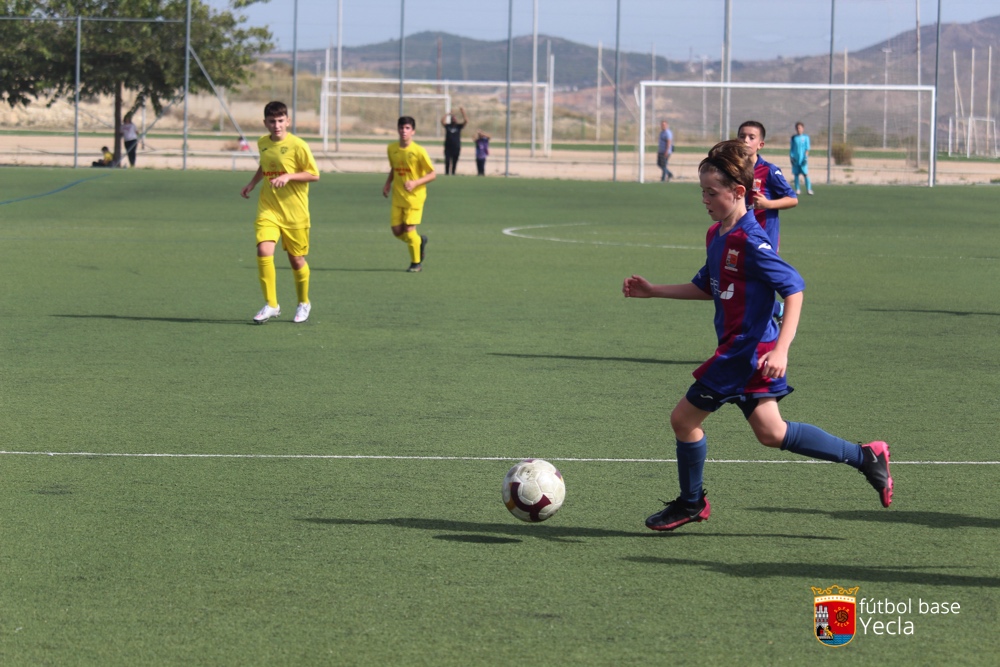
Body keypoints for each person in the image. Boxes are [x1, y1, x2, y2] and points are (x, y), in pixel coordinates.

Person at [621, 139, 892, 532]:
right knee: (771, 432)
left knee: (683, 420)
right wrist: (654, 291)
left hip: (746, 354)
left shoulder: (752, 241)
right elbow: (709, 286)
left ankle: (692, 502)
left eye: (711, 193)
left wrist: (782, 349)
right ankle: (866, 456)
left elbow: (794, 289)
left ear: (738, 192)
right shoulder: (717, 234)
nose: (704, 200)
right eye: (702, 192)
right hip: (743, 350)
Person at [240, 100, 320, 324]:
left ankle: (303, 302)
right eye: (272, 121)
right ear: (265, 123)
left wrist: (288, 176)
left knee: (296, 260)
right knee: (264, 251)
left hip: (295, 213)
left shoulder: (298, 145)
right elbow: (265, 165)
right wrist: (252, 183)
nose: (276, 125)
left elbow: (314, 175)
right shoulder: (263, 143)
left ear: (288, 121)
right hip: (269, 208)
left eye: (280, 121)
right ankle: (272, 304)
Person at [383, 116, 436, 272]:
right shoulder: (391, 148)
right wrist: (388, 183)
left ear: (413, 131)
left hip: (415, 198)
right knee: (396, 231)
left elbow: (432, 174)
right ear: (397, 129)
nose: (404, 131)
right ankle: (419, 242)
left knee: (409, 229)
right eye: (401, 128)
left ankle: (416, 263)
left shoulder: (419, 151)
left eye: (407, 128)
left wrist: (415, 183)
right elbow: (394, 168)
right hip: (398, 196)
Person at [737, 120, 797, 252]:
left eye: (751, 137)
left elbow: (792, 199)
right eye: (742, 136)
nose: (745, 140)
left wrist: (767, 204)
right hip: (738, 234)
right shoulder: (732, 170)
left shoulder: (769, 170)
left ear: (760, 144)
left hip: (764, 238)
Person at [440, 107, 468, 175]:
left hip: (456, 147)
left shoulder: (458, 126)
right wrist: (447, 114)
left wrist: (463, 113)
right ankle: (446, 173)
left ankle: (453, 173)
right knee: (447, 161)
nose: (454, 120)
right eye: (453, 119)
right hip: (448, 147)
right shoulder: (448, 126)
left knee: (454, 161)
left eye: (455, 119)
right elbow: (442, 121)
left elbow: (466, 121)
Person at [790, 121, 814, 195]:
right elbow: (792, 148)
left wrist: (805, 158)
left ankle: (809, 189)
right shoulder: (794, 138)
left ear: (803, 129)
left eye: (800, 128)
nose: (799, 129)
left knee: (805, 174)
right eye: (797, 128)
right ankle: (797, 189)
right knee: (796, 174)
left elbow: (807, 148)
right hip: (795, 159)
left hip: (803, 159)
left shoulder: (806, 137)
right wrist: (791, 157)